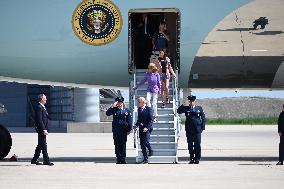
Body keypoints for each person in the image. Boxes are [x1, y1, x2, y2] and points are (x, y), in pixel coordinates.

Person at [177, 95, 205, 164]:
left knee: (197, 144)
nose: (191, 102)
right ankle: (192, 158)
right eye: (190, 101)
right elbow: (178, 111)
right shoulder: (186, 108)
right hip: (189, 129)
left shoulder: (199, 108)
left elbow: (203, 118)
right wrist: (183, 104)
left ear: (195, 101)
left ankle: (197, 158)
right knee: (190, 145)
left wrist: (202, 127)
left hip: (197, 129)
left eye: (192, 101)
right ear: (189, 101)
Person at [106, 96, 132, 164]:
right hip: (116, 131)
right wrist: (112, 106)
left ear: (122, 102)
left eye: (120, 102)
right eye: (118, 102)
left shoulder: (127, 110)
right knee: (117, 145)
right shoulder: (114, 109)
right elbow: (107, 113)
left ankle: (123, 159)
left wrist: (129, 130)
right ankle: (118, 159)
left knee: (123, 145)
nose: (119, 104)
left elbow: (129, 121)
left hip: (123, 131)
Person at [31, 94, 54, 166]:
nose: (46, 99)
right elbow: (39, 120)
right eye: (45, 98)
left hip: (43, 129)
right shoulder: (39, 107)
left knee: (40, 145)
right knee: (44, 145)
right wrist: (44, 129)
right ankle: (46, 161)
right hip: (42, 129)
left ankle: (34, 160)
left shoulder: (42, 107)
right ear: (41, 99)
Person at [136, 97, 153, 163]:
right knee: (142, 144)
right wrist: (136, 125)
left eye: (139, 102)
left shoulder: (149, 109)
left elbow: (150, 119)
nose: (138, 103)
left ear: (143, 102)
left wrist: (147, 128)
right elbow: (139, 119)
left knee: (145, 141)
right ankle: (145, 158)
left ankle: (150, 149)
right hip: (141, 128)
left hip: (147, 128)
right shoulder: (139, 109)